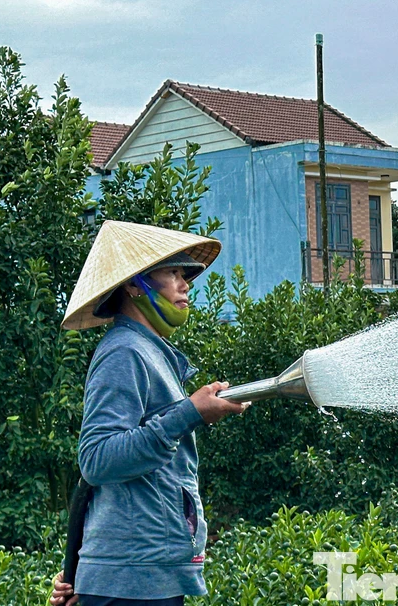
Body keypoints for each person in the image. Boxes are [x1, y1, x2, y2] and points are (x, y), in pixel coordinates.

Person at [49, 220, 248, 606]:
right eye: (173, 272)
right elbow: (96, 459)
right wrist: (189, 412)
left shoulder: (150, 352)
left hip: (146, 577)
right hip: (129, 582)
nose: (185, 283)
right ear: (134, 284)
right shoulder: (124, 351)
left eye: (185, 273)